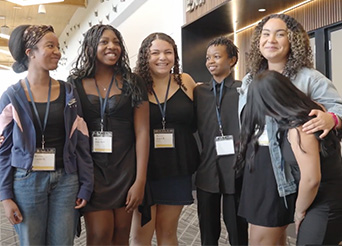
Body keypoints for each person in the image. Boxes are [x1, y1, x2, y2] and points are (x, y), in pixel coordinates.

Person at [237, 13, 342, 245]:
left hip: (293, 164)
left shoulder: (310, 79)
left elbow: (337, 110)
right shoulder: (248, 80)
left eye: (280, 33)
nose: (270, 39)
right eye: (265, 34)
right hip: (260, 165)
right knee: (260, 236)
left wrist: (331, 119)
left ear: (293, 40)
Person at [0, 24, 94, 246]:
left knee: (63, 242)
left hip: (66, 179)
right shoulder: (11, 97)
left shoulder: (68, 92)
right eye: (50, 46)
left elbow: (81, 140)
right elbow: (3, 150)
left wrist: (86, 183)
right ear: (30, 53)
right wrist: (5, 196)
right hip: (26, 180)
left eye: (58, 46)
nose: (57, 52)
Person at [68, 24, 149, 245]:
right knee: (99, 234)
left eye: (116, 42)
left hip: (125, 169)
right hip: (91, 170)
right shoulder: (74, 84)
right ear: (91, 46)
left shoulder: (134, 82)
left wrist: (140, 180)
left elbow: (142, 131)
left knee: (121, 235)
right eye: (104, 42)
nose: (111, 47)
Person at [130, 32, 199, 245]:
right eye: (155, 53)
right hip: (144, 170)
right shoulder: (135, 85)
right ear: (145, 56)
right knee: (141, 236)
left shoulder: (185, 81)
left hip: (177, 168)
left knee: (168, 232)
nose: (162, 57)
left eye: (168, 52)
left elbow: (201, 118)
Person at [193, 36, 248, 245]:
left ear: (232, 60)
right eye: (208, 58)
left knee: (238, 229)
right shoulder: (198, 92)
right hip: (207, 168)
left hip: (236, 169)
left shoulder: (243, 90)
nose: (211, 62)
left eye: (217, 57)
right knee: (207, 231)